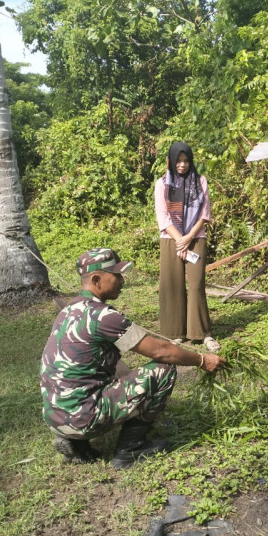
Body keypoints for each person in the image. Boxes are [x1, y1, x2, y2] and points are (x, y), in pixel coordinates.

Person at [40, 248, 225, 469]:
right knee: (163, 370)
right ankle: (131, 449)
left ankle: (75, 442)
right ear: (97, 280)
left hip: (55, 416)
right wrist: (203, 360)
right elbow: (162, 351)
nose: (122, 280)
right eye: (116, 275)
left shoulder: (69, 310)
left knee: (104, 371)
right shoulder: (103, 317)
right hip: (82, 417)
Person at [155, 141, 221, 352]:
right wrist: (179, 239)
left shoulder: (200, 182)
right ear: (171, 161)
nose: (182, 165)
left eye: (186, 161)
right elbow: (163, 217)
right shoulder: (162, 183)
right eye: (178, 161)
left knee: (196, 284)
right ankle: (175, 333)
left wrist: (188, 237)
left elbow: (205, 214)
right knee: (172, 284)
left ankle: (202, 333)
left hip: (196, 237)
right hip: (170, 239)